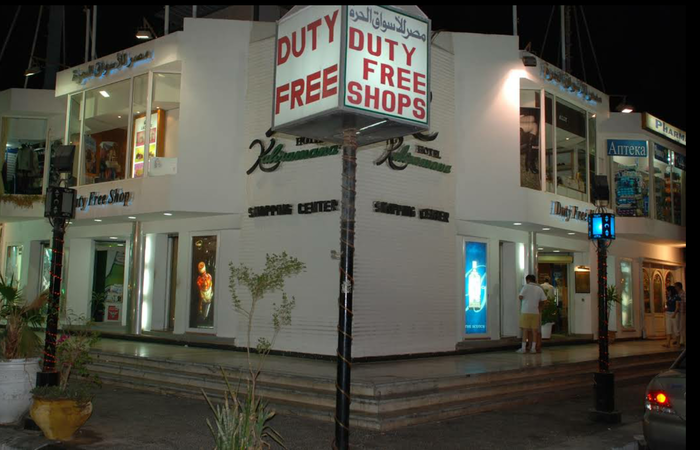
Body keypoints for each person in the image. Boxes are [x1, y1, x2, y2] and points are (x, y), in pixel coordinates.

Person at [517, 274, 547, 354]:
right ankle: (533, 348)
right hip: (535, 312)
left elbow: (520, 297)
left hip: (525, 311)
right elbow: (544, 300)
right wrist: (540, 308)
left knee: (525, 330)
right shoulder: (539, 289)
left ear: (528, 280)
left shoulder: (526, 287)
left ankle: (523, 348)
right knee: (534, 331)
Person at [675, 282, 686, 347]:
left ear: (679, 287)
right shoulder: (678, 294)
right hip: (678, 312)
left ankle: (684, 342)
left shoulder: (683, 293)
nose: (675, 288)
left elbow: (684, 303)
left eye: (676, 286)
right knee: (678, 327)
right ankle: (680, 341)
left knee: (682, 327)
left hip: (682, 312)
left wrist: (684, 312)